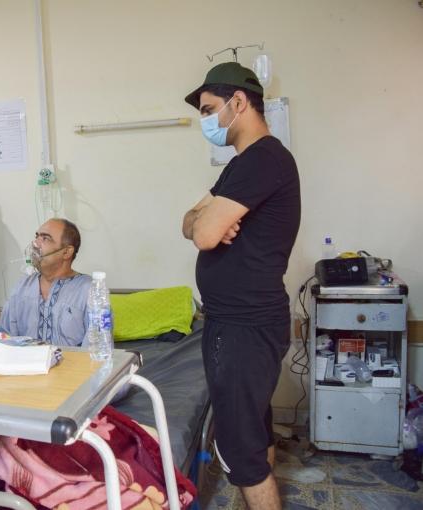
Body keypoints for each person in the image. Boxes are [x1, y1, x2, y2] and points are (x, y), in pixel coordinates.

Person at [182, 62, 301, 510]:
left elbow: (205, 233)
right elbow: (190, 221)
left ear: (238, 102)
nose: (206, 121)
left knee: (239, 451)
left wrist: (205, 224)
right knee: (255, 431)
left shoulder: (264, 158)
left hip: (243, 328)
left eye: (210, 109)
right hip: (242, 323)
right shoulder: (241, 165)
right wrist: (201, 220)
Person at [0, 218, 91, 347]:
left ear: (66, 252)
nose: (35, 244)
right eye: (37, 237)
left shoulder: (88, 290)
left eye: (45, 238)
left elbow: (95, 351)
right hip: (26, 366)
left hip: (72, 366)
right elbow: (4, 338)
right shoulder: (22, 286)